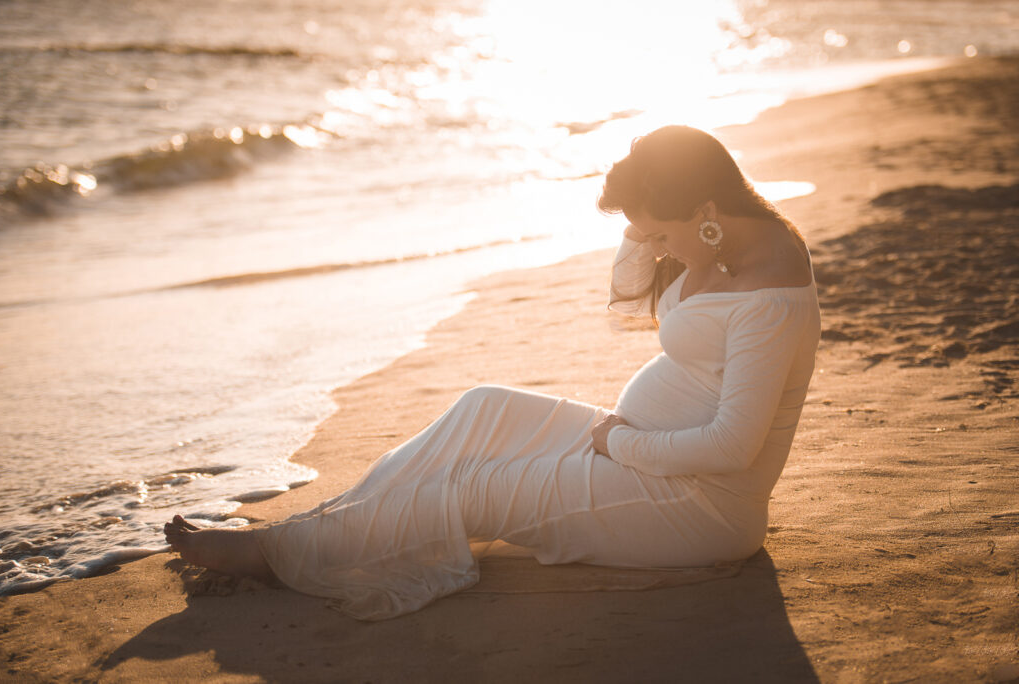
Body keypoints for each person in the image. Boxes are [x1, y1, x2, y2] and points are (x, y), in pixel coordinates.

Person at [165, 125, 821, 621]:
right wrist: (648, 208)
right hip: (640, 452)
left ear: (705, 208)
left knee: (476, 489)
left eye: (657, 236)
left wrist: (619, 442)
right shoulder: (716, 239)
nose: (650, 250)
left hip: (698, 506)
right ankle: (308, 533)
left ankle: (279, 555)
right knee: (482, 407)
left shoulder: (769, 294)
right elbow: (627, 288)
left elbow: (733, 449)